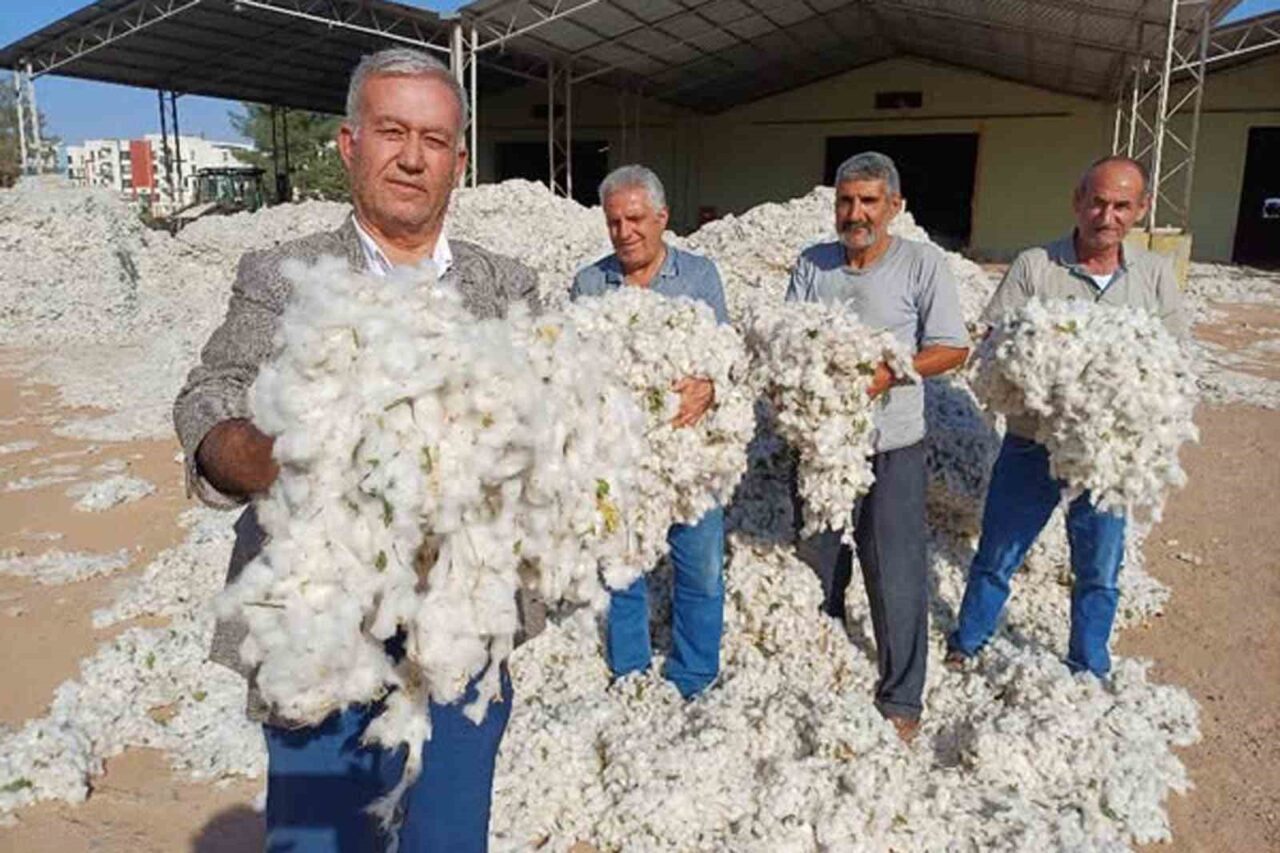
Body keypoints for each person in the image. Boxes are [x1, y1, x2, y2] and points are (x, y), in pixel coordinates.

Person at [173, 47, 540, 853]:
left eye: (434, 140)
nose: (412, 157)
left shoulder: (506, 288)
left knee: (449, 840)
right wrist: (278, 453)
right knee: (319, 843)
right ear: (349, 144)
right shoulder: (282, 276)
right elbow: (210, 399)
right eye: (392, 132)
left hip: (460, 634)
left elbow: (555, 422)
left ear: (460, 161)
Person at [946, 155, 1188, 678]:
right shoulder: (1037, 266)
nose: (1107, 215)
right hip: (1033, 443)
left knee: (1099, 567)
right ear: (1078, 202)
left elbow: (1175, 356)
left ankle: (1088, 663)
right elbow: (992, 343)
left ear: (1140, 210)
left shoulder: (1154, 275)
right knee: (997, 552)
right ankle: (968, 642)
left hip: (1109, 457)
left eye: (1122, 205)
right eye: (1097, 201)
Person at [786, 151, 970, 742]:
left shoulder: (922, 265)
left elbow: (950, 348)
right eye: (846, 201)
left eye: (869, 201)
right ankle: (823, 647)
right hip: (820, 444)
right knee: (816, 558)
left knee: (894, 570)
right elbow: (789, 335)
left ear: (895, 207)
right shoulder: (812, 266)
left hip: (892, 444)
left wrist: (888, 373)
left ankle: (901, 696)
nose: (856, 213)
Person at [570, 164, 729, 699]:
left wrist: (710, 386)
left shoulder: (700, 278)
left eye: (635, 219)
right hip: (619, 456)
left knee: (701, 569)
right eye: (613, 222)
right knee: (621, 569)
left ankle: (693, 674)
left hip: (690, 455)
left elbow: (724, 357)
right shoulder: (590, 283)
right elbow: (572, 370)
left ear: (662, 218)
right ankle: (631, 671)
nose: (624, 232)